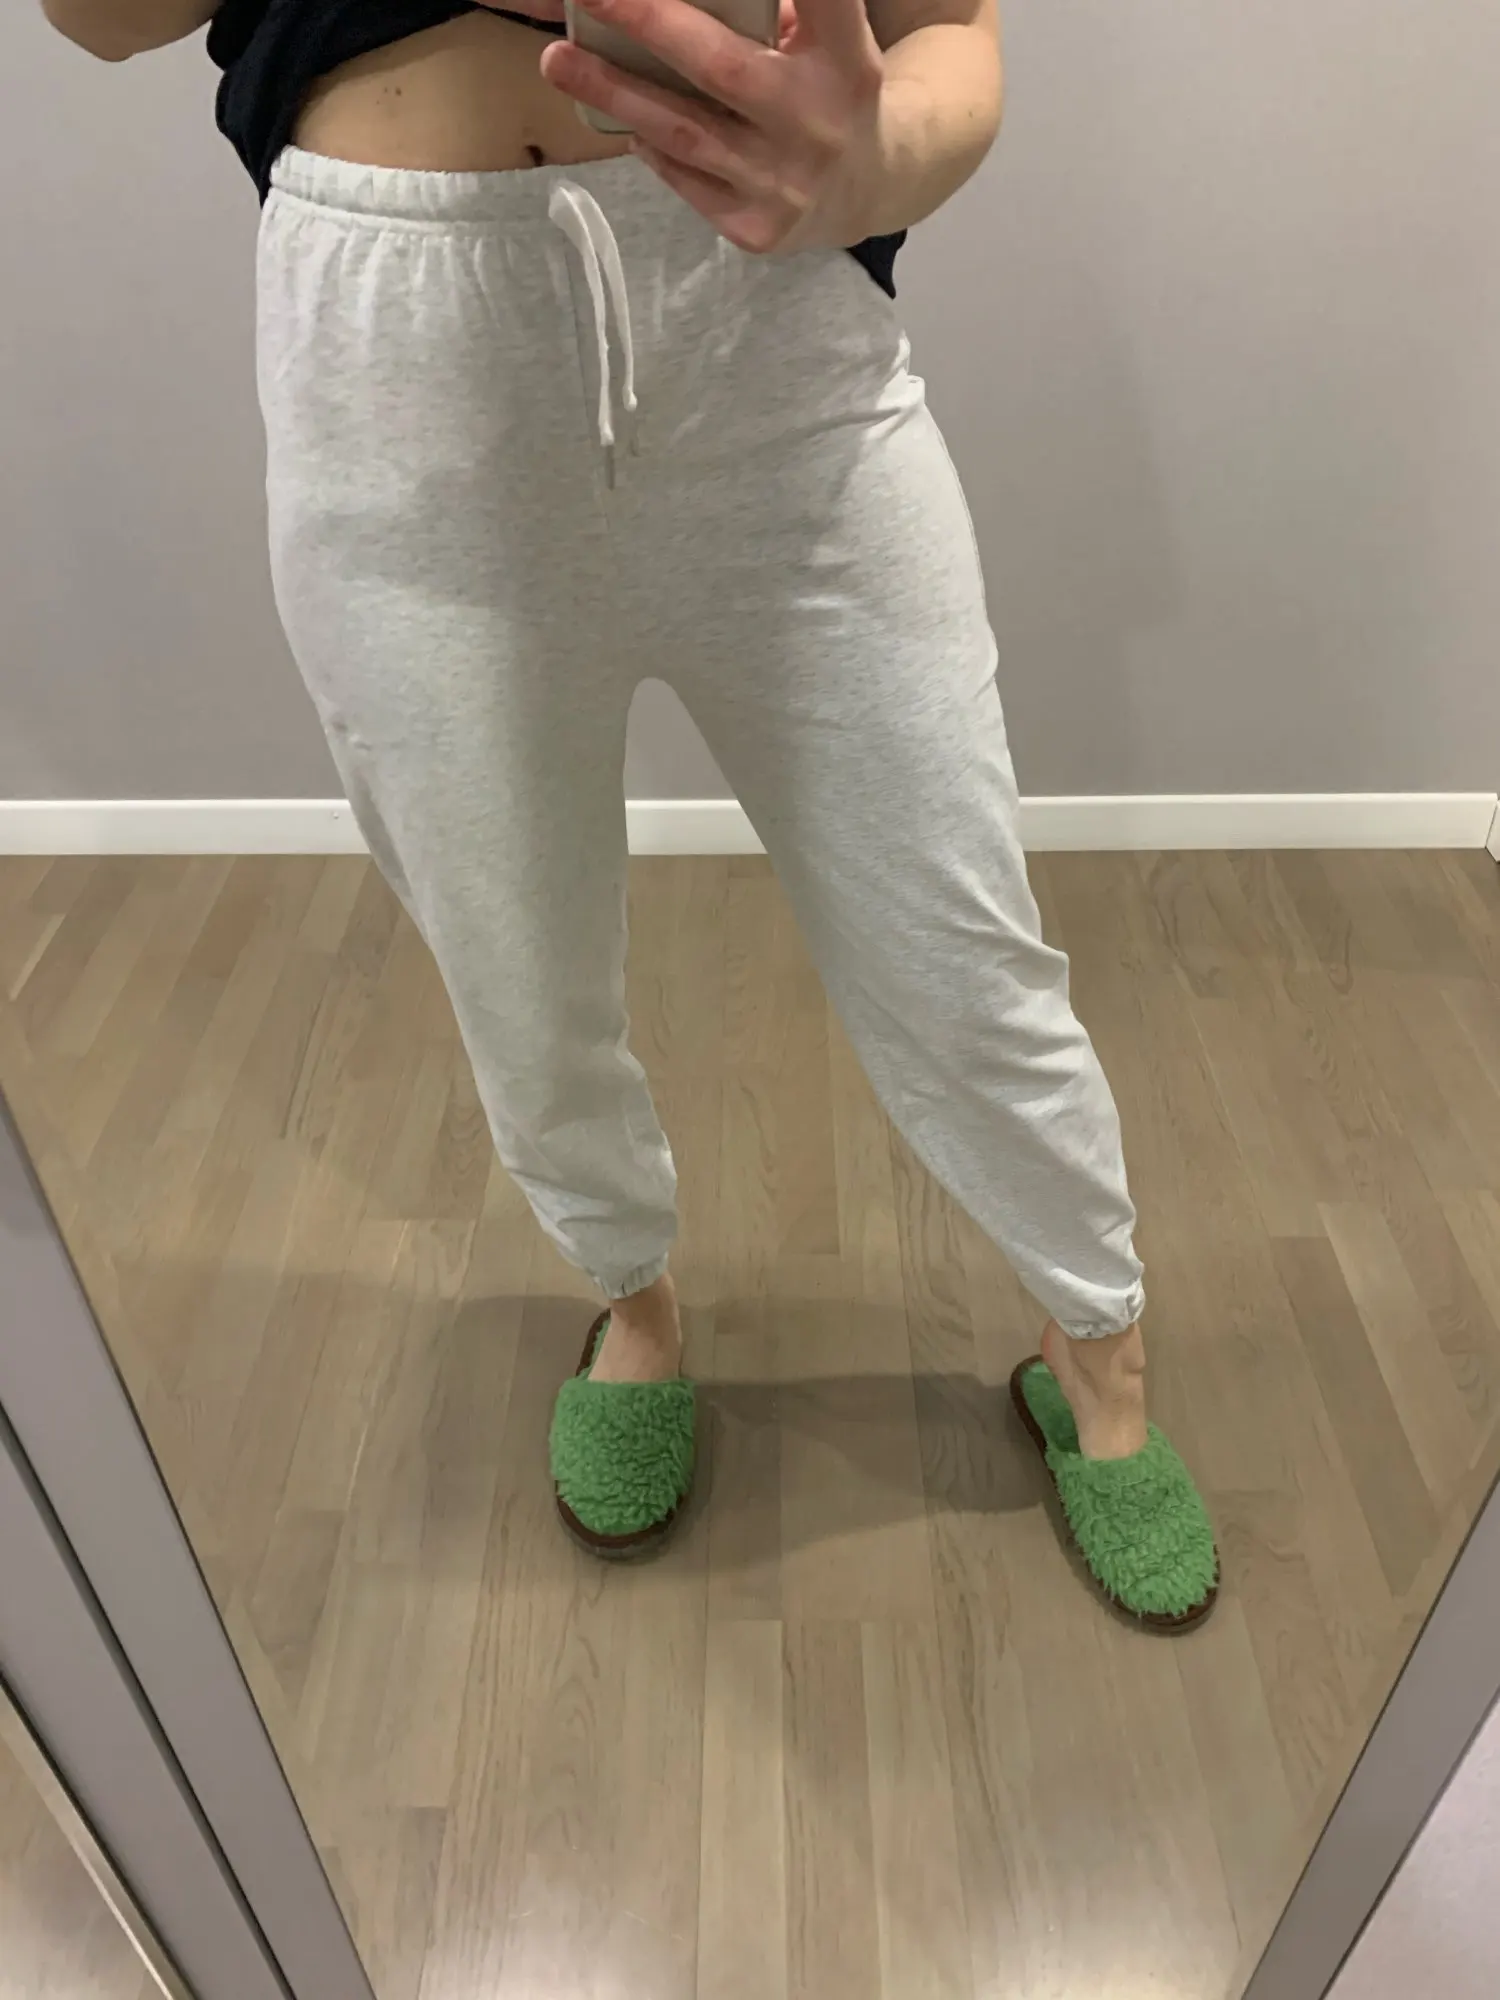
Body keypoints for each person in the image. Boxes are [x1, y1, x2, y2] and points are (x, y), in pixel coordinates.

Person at [42, 0, 1217, 1623]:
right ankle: (634, 1303)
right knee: (514, 961)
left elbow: (951, 35)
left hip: (771, 353)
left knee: (954, 940)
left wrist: (875, 162)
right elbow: (97, 20)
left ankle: (1101, 1348)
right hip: (402, 376)